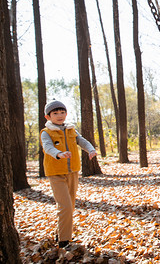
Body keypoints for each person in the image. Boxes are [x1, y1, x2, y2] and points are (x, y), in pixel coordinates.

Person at [40, 100, 97, 248]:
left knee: (69, 206)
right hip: (56, 173)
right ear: (48, 117)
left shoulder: (71, 129)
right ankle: (64, 241)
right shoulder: (46, 132)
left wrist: (90, 150)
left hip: (72, 172)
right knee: (64, 205)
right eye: (55, 113)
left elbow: (81, 141)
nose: (60, 115)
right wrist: (59, 154)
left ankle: (61, 233)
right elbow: (47, 147)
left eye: (62, 112)